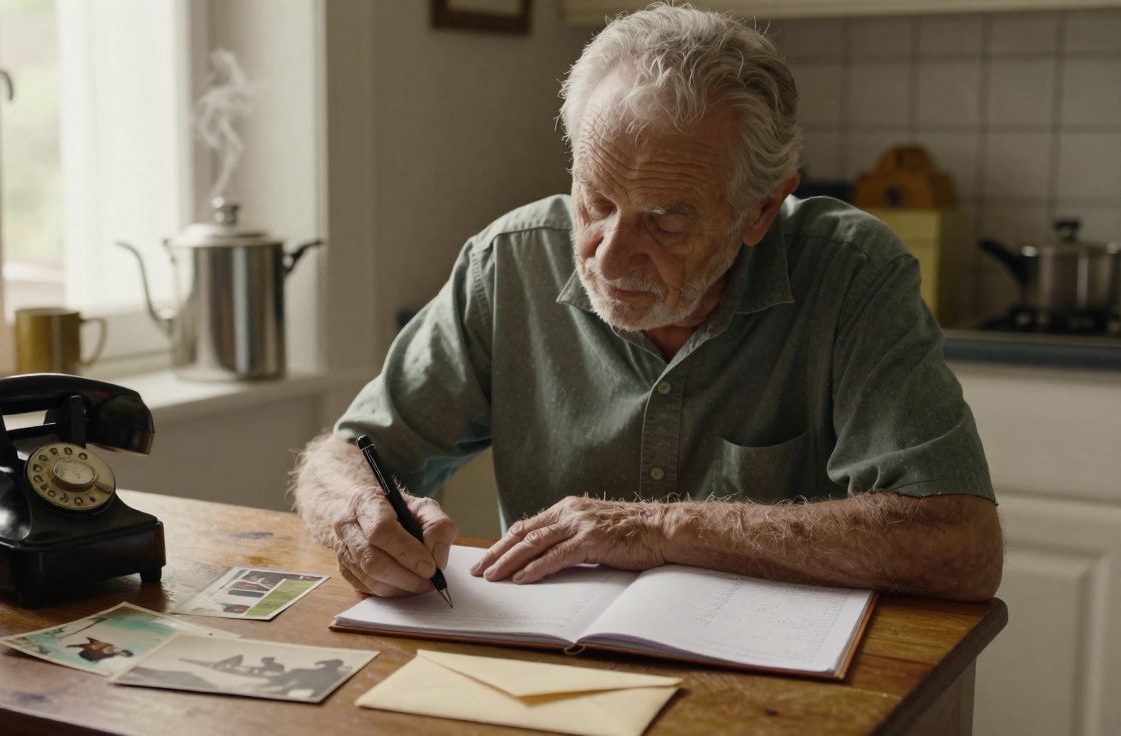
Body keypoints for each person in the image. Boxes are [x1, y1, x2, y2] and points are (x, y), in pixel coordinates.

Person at [291, 5, 1002, 603]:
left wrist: (663, 529)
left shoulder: (850, 273)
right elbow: (348, 454)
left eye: (666, 221)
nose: (607, 254)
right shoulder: (510, 262)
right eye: (595, 201)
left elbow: (958, 544)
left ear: (760, 212)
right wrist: (359, 514)